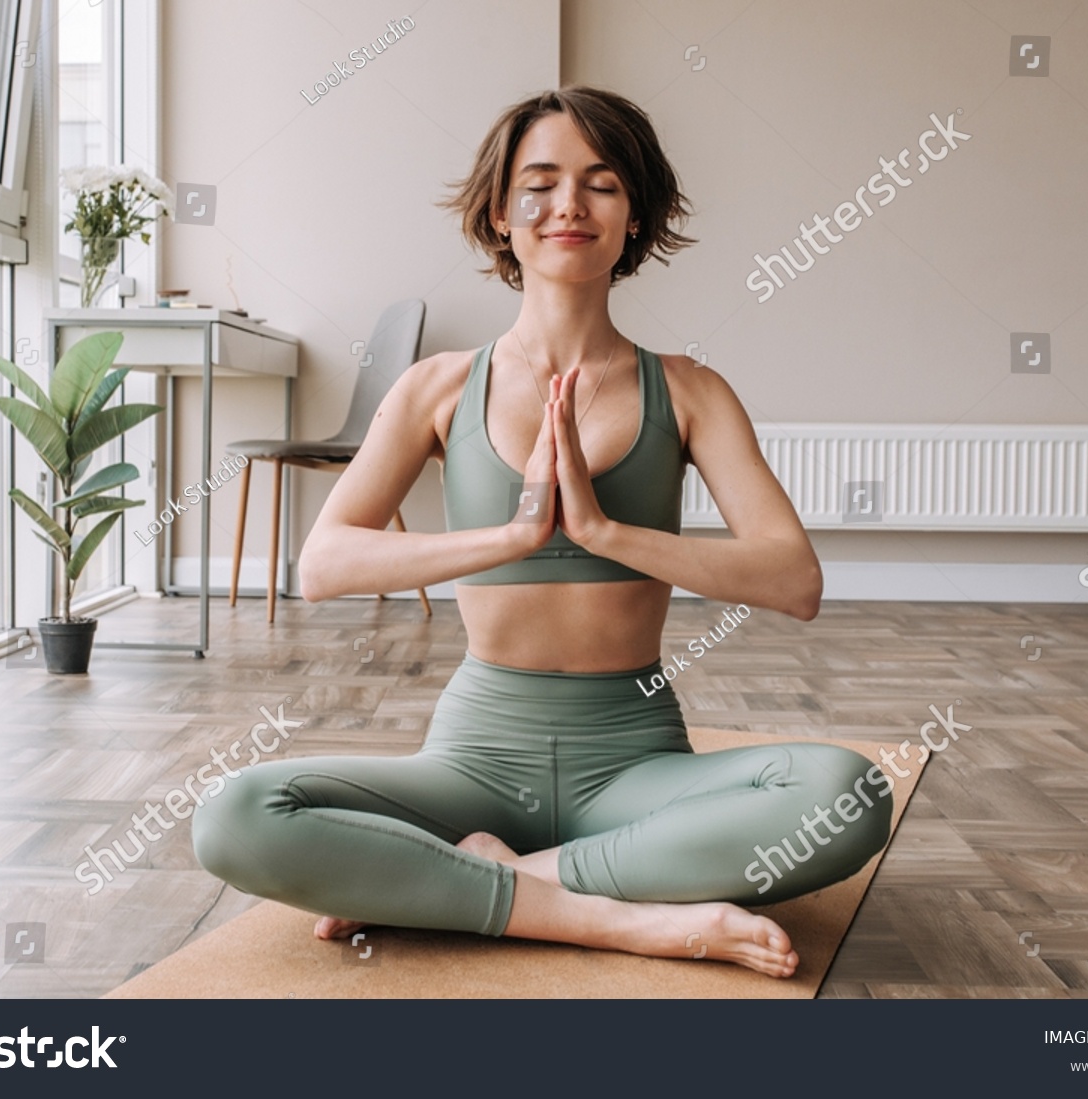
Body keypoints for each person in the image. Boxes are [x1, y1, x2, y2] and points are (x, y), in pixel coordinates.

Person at [191, 86, 891, 979]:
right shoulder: (437, 387)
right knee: (237, 813)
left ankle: (491, 883)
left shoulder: (689, 391)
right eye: (542, 182)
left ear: (633, 214)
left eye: (601, 183)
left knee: (847, 793)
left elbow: (795, 581)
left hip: (633, 763)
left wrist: (604, 529)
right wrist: (511, 537)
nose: (569, 205)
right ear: (499, 210)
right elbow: (324, 564)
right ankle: (618, 918)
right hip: (474, 758)